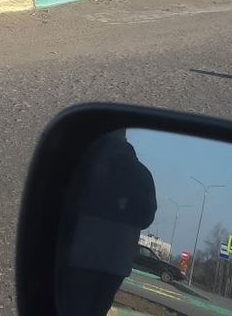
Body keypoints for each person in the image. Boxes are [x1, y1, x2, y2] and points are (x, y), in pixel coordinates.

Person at [57, 130, 159, 316]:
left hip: (81, 253)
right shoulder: (143, 175)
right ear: (125, 139)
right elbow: (147, 219)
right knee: (98, 309)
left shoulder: (86, 164)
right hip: (117, 262)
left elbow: (63, 204)